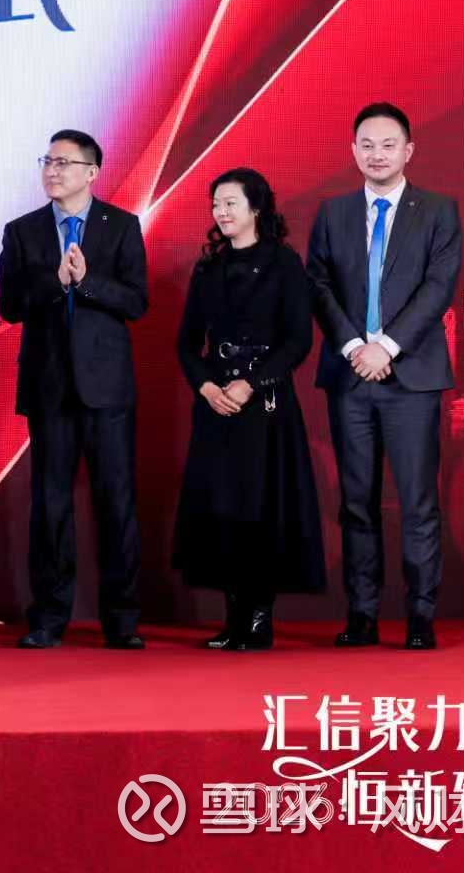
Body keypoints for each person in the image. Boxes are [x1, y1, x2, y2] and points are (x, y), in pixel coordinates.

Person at [306, 102, 460, 650]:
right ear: (353, 152)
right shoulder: (333, 213)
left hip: (410, 378)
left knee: (418, 502)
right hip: (350, 377)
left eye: (388, 145)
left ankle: (420, 616)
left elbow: (439, 287)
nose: (377, 154)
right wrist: (355, 347)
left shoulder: (438, 210)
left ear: (408, 151)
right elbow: (318, 284)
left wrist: (386, 347)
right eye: (367, 145)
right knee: (355, 502)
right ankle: (363, 614)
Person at [0, 129, 148, 649]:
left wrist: (86, 283)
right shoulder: (22, 231)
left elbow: (136, 302)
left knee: (116, 504)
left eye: (63, 162)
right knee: (51, 504)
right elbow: (10, 305)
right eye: (48, 161)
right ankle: (48, 617)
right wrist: (56, 282)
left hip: (107, 388)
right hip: (50, 386)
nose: (53, 171)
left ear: (91, 172)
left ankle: (122, 620)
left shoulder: (121, 226)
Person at [170, 168, 324, 650]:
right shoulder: (208, 268)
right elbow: (186, 343)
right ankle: (233, 616)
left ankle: (259, 619)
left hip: (265, 404)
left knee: (262, 506)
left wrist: (251, 383)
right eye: (216, 204)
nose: (221, 212)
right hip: (216, 404)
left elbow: (298, 339)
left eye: (231, 203)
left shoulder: (284, 263)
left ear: (256, 208)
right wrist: (206, 386)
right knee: (221, 509)